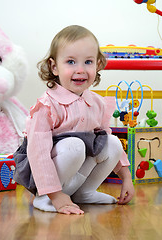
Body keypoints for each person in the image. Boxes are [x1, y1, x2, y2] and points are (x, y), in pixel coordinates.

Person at [13, 25, 134, 215]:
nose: (80, 70)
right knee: (75, 145)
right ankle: (45, 198)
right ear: (54, 67)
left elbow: (107, 142)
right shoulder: (47, 106)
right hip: (42, 176)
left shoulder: (96, 103)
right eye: (70, 62)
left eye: (88, 62)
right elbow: (38, 154)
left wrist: (126, 177)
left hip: (74, 170)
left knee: (111, 142)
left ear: (98, 64)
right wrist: (54, 194)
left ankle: (84, 192)